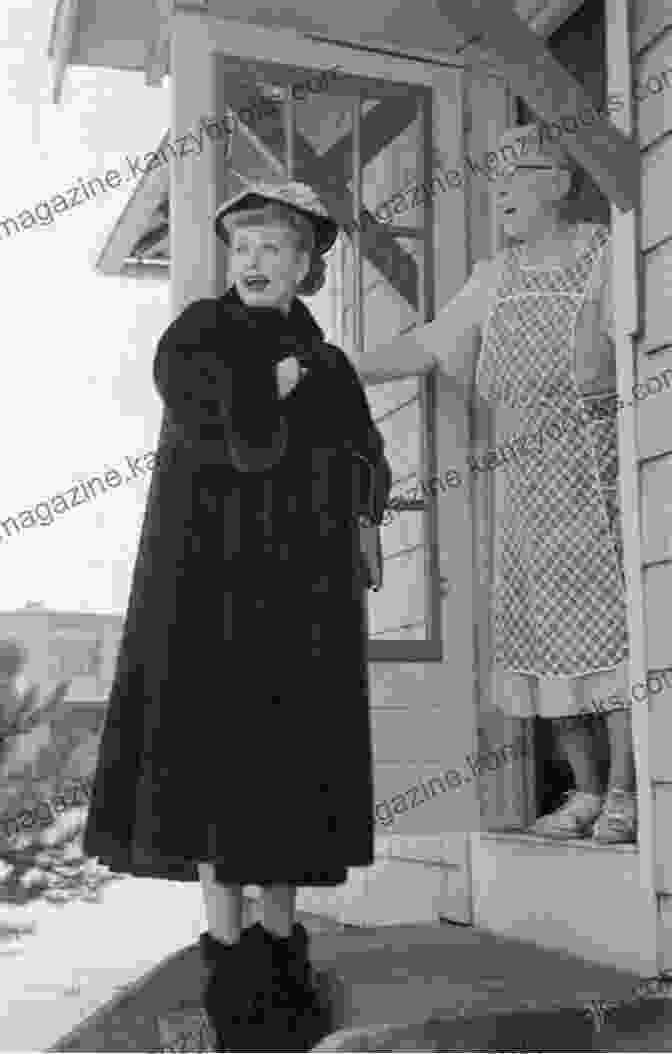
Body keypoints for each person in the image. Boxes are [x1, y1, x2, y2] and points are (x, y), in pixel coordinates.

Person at [82, 181, 391, 1051]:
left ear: (304, 264)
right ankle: (226, 957)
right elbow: (202, 411)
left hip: (302, 607)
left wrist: (364, 515)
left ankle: (281, 949)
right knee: (218, 777)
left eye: (274, 247)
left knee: (287, 781)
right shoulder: (198, 337)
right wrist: (266, 385)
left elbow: (363, 450)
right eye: (244, 245)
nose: (255, 261)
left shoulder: (326, 363)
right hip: (209, 601)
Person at [360, 123, 636, 845]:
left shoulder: (606, 254)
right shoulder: (495, 276)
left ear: (561, 181)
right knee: (545, 640)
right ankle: (585, 790)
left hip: (597, 476)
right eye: (497, 178)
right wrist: (334, 366)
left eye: (519, 174)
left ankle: (630, 793)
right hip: (526, 492)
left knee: (612, 636)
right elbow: (426, 344)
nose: (502, 191)